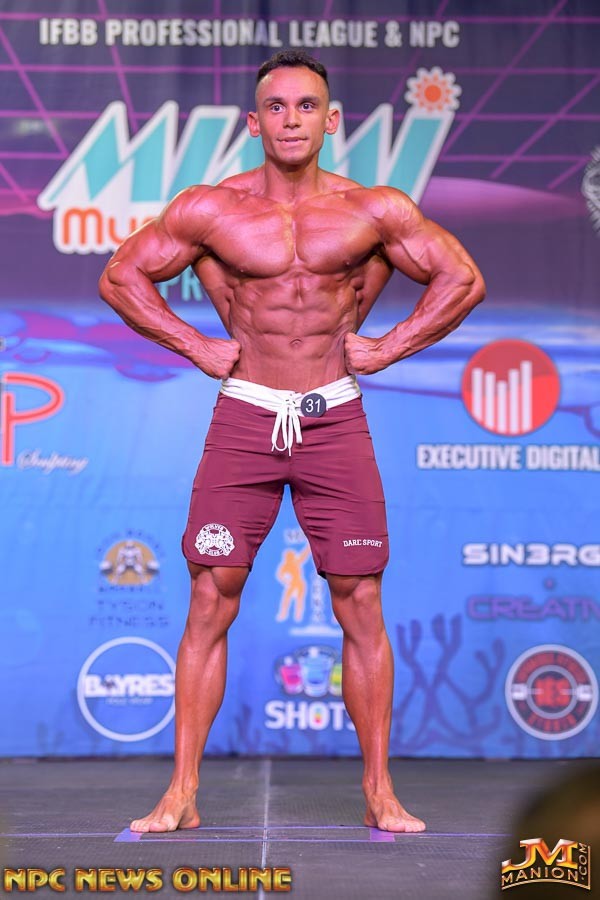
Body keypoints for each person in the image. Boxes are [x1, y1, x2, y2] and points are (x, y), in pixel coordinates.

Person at [99, 49, 485, 834]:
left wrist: (389, 347)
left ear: (331, 119)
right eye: (275, 107)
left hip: (332, 414)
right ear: (254, 122)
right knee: (211, 595)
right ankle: (181, 792)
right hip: (245, 413)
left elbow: (462, 279)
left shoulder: (373, 210)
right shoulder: (211, 210)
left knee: (361, 599)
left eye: (306, 106)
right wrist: (195, 345)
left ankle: (380, 791)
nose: (291, 120)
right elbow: (121, 277)